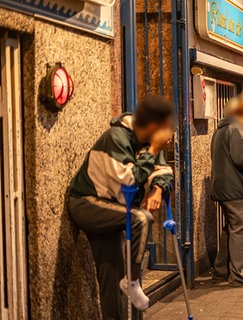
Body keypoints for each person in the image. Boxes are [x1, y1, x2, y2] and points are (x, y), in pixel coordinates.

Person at [68, 95, 175, 319]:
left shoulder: (148, 142)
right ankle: (133, 280)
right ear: (155, 125)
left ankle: (128, 283)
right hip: (88, 203)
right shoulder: (115, 138)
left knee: (111, 275)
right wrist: (154, 150)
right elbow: (128, 181)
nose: (169, 133)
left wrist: (156, 190)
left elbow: (164, 171)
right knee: (141, 219)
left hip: (114, 207)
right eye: (166, 125)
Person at [210, 94, 243, 287]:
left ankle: (221, 270)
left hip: (220, 186)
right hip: (233, 187)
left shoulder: (219, 130)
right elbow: (241, 159)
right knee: (240, 228)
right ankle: (240, 275)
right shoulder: (237, 129)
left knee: (229, 229)